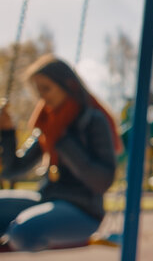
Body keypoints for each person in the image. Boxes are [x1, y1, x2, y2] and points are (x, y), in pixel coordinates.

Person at [0, 54, 121, 252]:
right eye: (37, 90)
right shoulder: (48, 124)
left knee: (23, 231)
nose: (41, 97)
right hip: (47, 198)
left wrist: (63, 140)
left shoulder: (92, 121)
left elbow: (102, 181)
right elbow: (12, 170)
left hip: (84, 210)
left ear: (68, 86)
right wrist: (7, 132)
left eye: (46, 88)